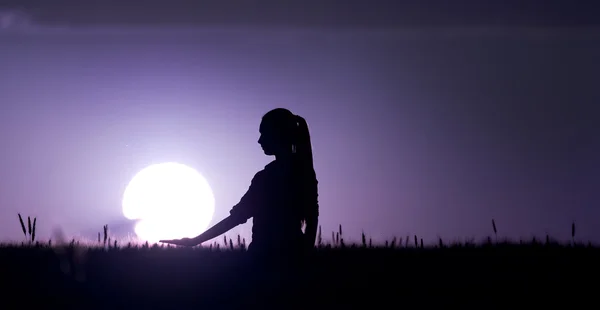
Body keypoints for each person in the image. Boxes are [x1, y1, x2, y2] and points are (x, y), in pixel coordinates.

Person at [160, 108, 319, 260]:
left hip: (264, 260)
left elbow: (237, 218)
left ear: (278, 134)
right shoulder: (303, 172)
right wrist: (305, 256)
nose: (259, 140)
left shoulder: (266, 178)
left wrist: (195, 241)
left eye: (264, 133)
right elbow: (312, 219)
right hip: (290, 258)